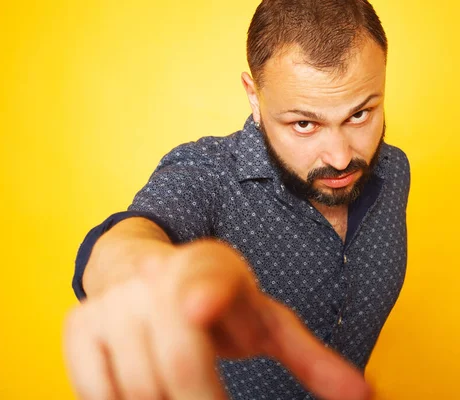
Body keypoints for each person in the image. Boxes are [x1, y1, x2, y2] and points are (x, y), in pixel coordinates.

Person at [64, 0, 411, 399]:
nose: (340, 157)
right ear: (253, 95)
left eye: (360, 115)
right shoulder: (209, 175)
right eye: (304, 123)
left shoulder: (393, 170)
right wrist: (140, 276)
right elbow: (135, 235)